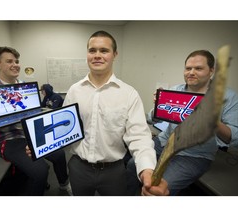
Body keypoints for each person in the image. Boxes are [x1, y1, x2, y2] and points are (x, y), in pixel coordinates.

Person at [35, 30, 168, 196]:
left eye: (104, 50)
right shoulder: (74, 91)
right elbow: (63, 128)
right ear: (87, 54)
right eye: (92, 50)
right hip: (78, 168)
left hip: (114, 171)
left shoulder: (129, 94)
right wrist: (39, 144)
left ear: (114, 54)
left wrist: (147, 170)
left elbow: (139, 137)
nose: (97, 55)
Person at [126, 50, 238, 195]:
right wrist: (158, 108)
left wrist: (214, 123)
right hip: (164, 142)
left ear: (211, 71)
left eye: (198, 68)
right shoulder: (175, 90)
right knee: (133, 165)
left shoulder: (229, 97)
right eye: (188, 68)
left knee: (159, 189)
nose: (191, 72)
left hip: (194, 154)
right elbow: (151, 119)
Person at [0, 46, 71, 195]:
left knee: (60, 155)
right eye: (9, 61)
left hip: (30, 132)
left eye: (16, 61)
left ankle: (64, 185)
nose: (15, 64)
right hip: (6, 138)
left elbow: (34, 113)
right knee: (40, 170)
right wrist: (9, 119)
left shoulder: (25, 86)